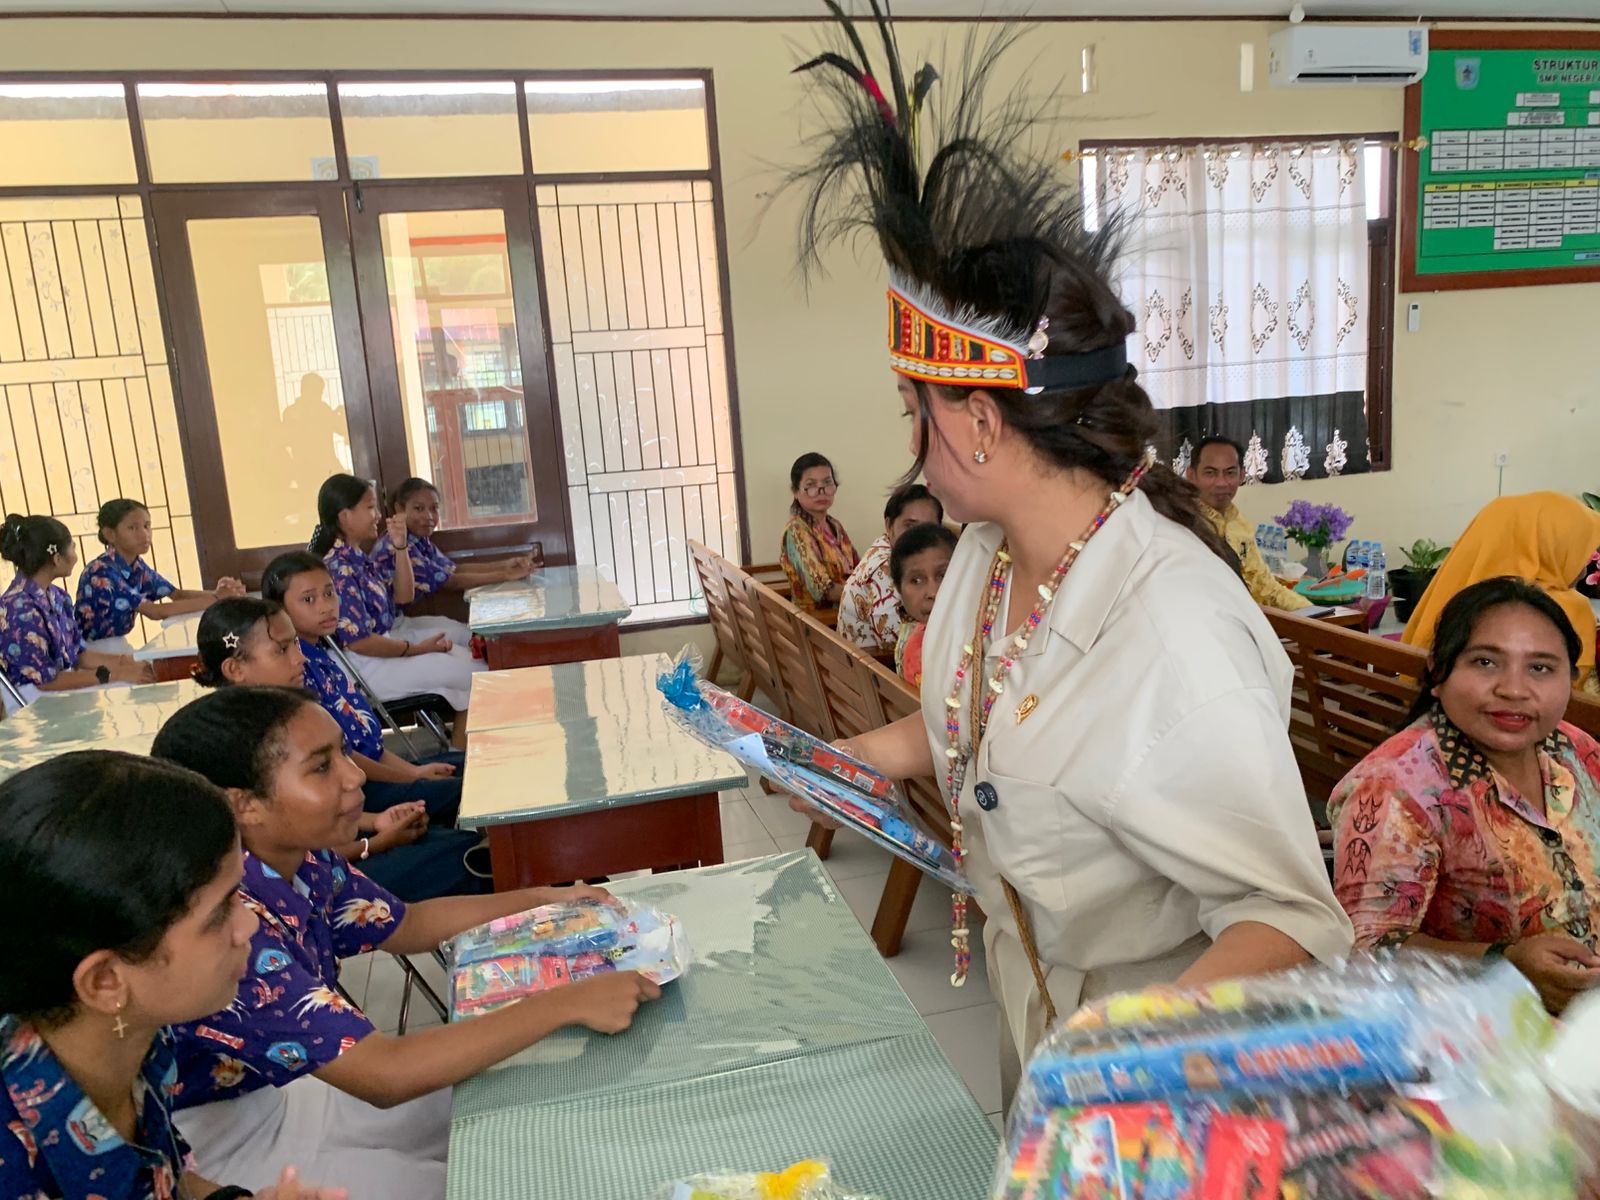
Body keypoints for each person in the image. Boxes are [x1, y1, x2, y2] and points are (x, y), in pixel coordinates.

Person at [781, 6, 1351, 1095]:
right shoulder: (987, 558)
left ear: (977, 422)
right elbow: (978, 722)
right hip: (1037, 1005)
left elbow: (1290, 918)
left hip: (1160, 1073)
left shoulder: (1175, 626)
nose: (905, 438)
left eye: (912, 409)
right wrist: (852, 761)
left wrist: (1116, 1058)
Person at [150, 687, 661, 1199]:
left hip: (287, 1094)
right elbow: (386, 1074)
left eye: (344, 753)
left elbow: (408, 923)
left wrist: (543, 900)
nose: (354, 776)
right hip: (221, 1155)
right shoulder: (227, 926)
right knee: (468, 1183)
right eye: (322, 767)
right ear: (243, 805)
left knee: (512, 1097)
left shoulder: (303, 857)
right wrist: (567, 1002)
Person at [0, 750, 345, 1200]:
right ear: (105, 981)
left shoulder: (140, 1036)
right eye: (220, 912)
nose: (249, 925)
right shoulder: (15, 1168)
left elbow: (163, 1176)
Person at [1329, 577, 1600, 1015]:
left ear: (1572, 678)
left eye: (1540, 668)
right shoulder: (1394, 790)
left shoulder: (1574, 748)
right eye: (1485, 662)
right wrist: (1505, 965)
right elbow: (1368, 956)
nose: (1514, 690)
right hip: (1492, 1027)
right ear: (1438, 673)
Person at [193, 596, 487, 902]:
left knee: (456, 836)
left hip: (343, 839)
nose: (300, 658)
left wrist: (377, 821)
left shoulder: (287, 709)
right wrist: (375, 843)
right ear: (235, 668)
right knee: (467, 858)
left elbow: (340, 777)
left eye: (295, 644)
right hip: (314, 888)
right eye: (282, 649)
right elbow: (291, 859)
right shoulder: (240, 745)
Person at [261, 552, 465, 828]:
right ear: (279, 610)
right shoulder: (296, 672)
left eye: (329, 593)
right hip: (358, 790)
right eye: (309, 599)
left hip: (381, 772)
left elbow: (369, 745)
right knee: (467, 790)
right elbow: (346, 756)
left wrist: (415, 771)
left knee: (473, 765)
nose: (326, 606)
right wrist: (412, 777)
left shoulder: (320, 654)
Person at [308, 474, 482, 746]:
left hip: (385, 649)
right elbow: (360, 642)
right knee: (477, 675)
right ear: (345, 516)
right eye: (370, 508)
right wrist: (417, 649)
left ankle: (460, 752)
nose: (378, 515)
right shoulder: (338, 568)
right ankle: (464, 759)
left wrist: (401, 546)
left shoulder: (357, 557)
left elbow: (403, 596)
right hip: (365, 666)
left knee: (473, 663)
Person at [1404, 492, 1600, 693]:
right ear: (1553, 547)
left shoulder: (1456, 585)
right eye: (1580, 549)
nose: (1585, 565)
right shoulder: (1566, 608)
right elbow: (1573, 692)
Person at [1, 513, 151, 707]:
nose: (76, 556)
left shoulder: (58, 596)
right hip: (34, 704)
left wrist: (129, 662)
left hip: (61, 691)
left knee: (138, 687)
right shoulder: (18, 609)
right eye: (72, 547)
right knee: (125, 696)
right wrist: (116, 674)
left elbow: (80, 655)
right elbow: (45, 682)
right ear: (57, 559)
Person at [75, 498, 245, 653]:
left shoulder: (136, 565)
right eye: (133, 528)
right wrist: (217, 599)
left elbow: (176, 594)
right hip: (91, 651)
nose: (144, 534)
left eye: (147, 526)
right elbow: (155, 612)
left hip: (116, 645)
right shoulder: (101, 572)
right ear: (110, 534)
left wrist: (223, 594)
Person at [1187, 438, 1310, 613]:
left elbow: (1264, 586)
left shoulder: (1239, 523)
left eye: (1230, 473)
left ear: (1242, 475)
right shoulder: (1185, 523)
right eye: (1210, 473)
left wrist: (1312, 611)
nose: (1221, 482)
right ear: (1191, 475)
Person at [389, 477, 534, 607]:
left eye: (434, 508)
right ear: (399, 509)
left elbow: (454, 570)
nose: (429, 516)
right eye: (419, 508)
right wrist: (506, 575)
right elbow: (451, 582)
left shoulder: (419, 540)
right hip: (392, 624)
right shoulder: (397, 544)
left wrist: (506, 564)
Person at [839, 482, 944, 653]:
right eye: (909, 526)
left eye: (928, 527)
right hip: (880, 665)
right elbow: (899, 646)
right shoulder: (885, 572)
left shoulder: (888, 547)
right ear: (889, 525)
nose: (919, 537)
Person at [779, 452, 858, 615]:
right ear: (795, 491)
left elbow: (859, 569)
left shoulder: (835, 525)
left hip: (849, 611)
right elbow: (823, 590)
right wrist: (865, 597)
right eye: (811, 485)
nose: (821, 491)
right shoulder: (796, 531)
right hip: (820, 622)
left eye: (828, 483)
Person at [890, 522, 957, 690]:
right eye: (916, 580)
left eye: (943, 575)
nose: (933, 592)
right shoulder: (918, 653)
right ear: (898, 589)